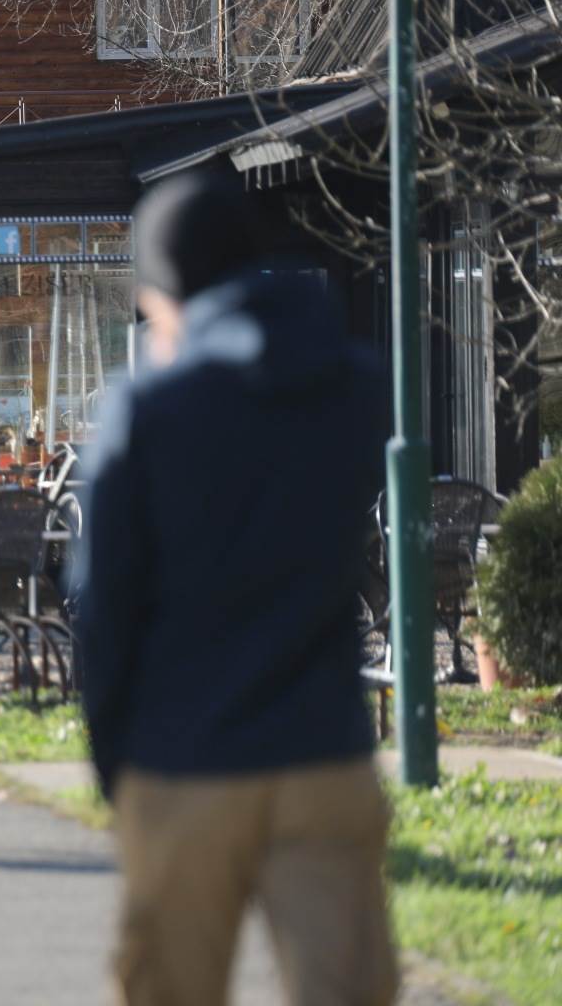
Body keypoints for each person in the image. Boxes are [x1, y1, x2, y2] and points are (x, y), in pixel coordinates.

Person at [71, 177, 397, 1006]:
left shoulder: (147, 411)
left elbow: (104, 609)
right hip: (324, 748)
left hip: (184, 761)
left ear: (164, 296)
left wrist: (116, 765)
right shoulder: (356, 390)